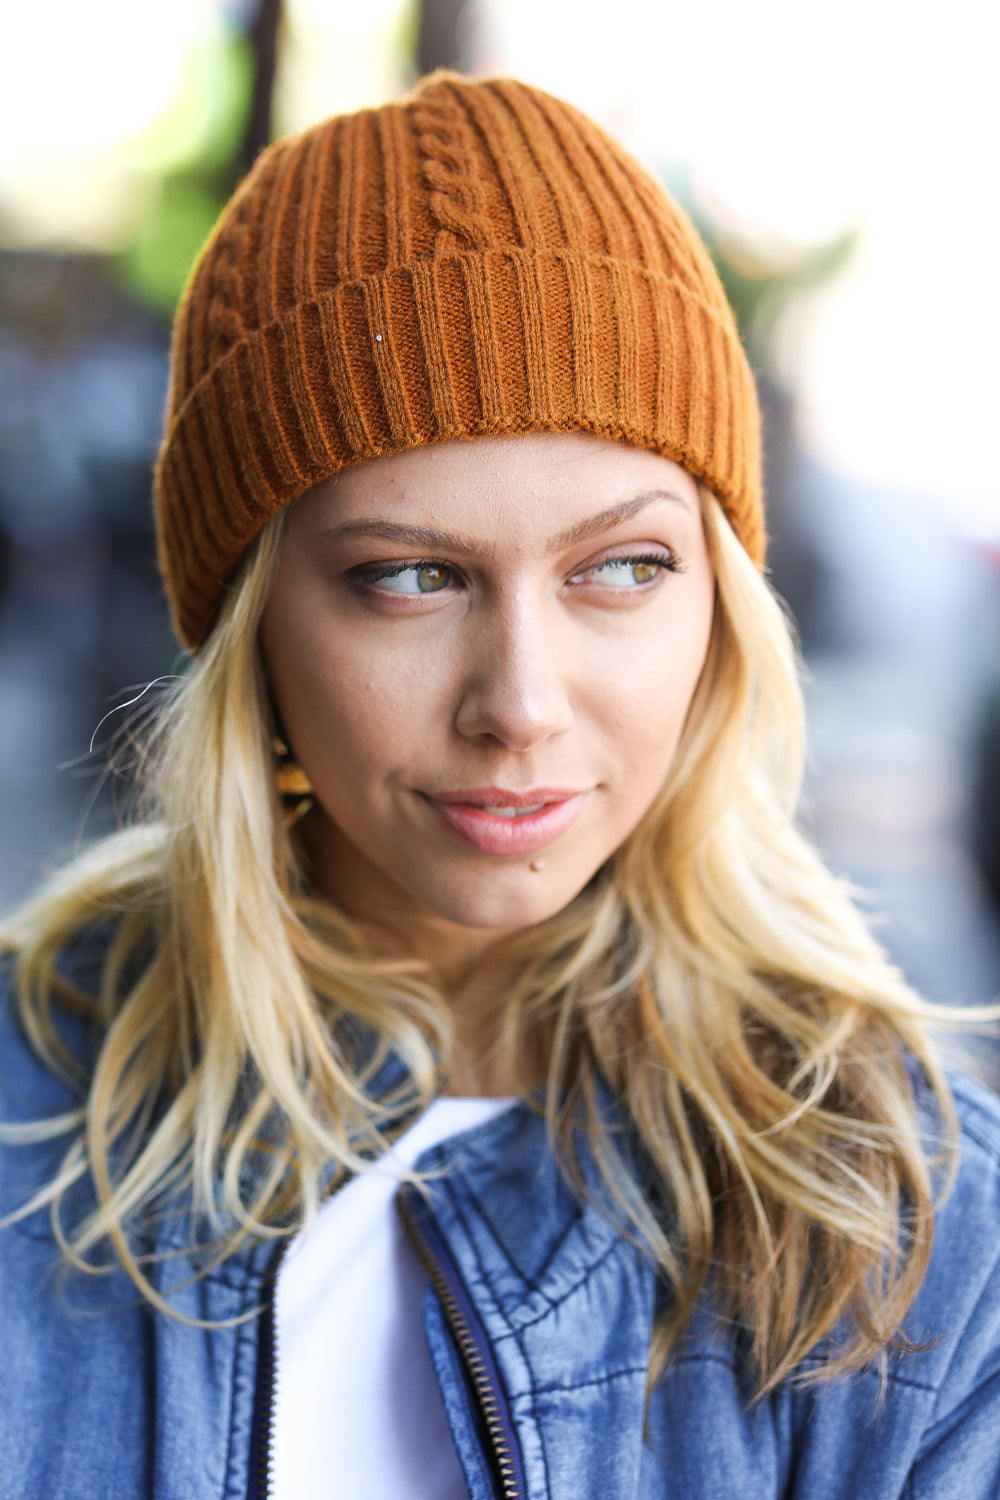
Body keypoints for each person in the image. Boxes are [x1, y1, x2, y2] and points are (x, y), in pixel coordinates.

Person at [1, 70, 999, 1500]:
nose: (521, 704)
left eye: (621, 569)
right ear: (249, 624)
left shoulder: (923, 1245)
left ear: (719, 602)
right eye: (408, 577)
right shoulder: (24, 1119)